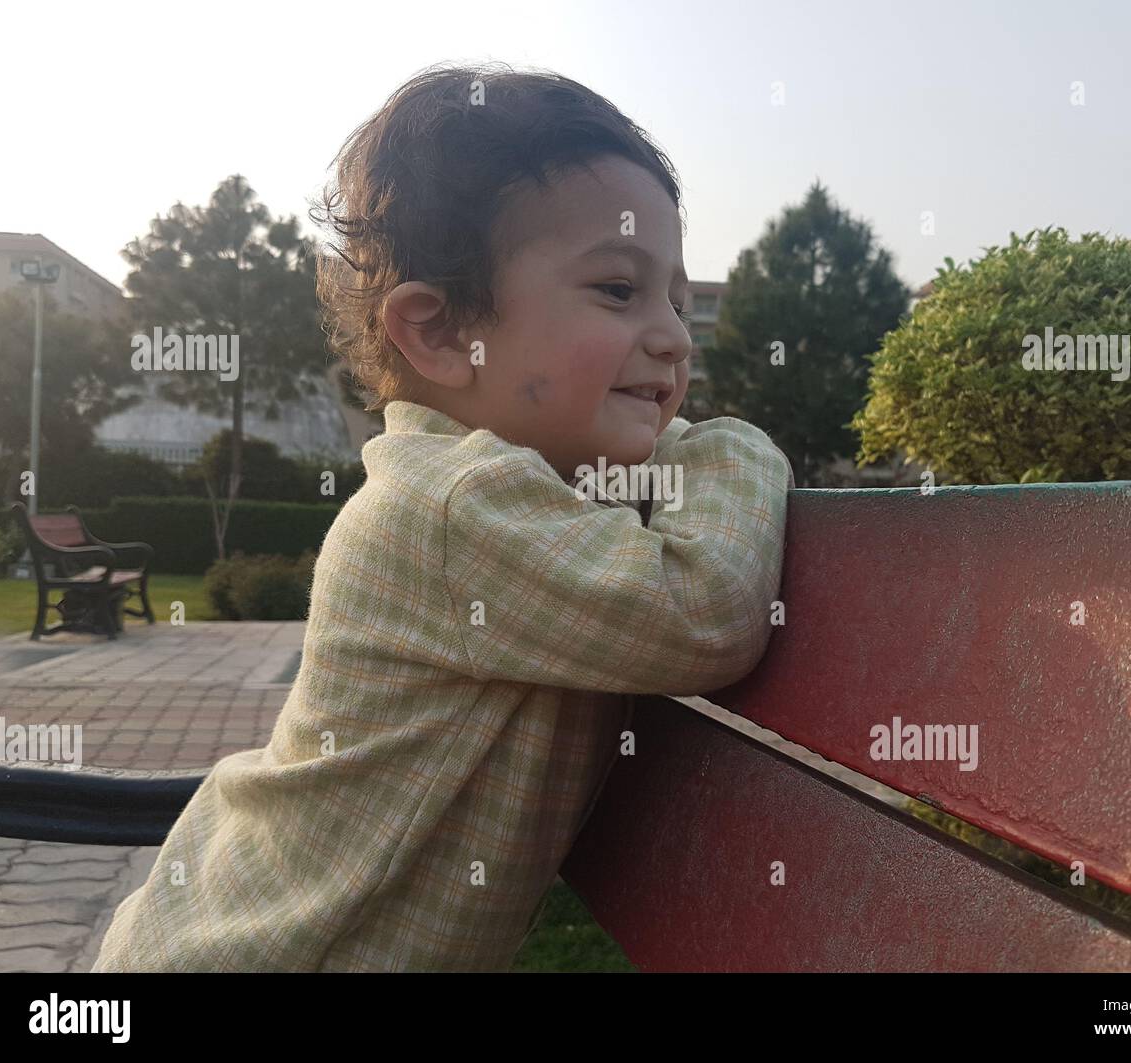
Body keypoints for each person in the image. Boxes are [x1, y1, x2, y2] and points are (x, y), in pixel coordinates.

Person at [92, 61, 793, 972]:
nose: (672, 333)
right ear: (436, 332)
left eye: (674, 294)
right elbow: (706, 613)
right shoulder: (455, 506)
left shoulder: (511, 496)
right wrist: (732, 448)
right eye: (620, 290)